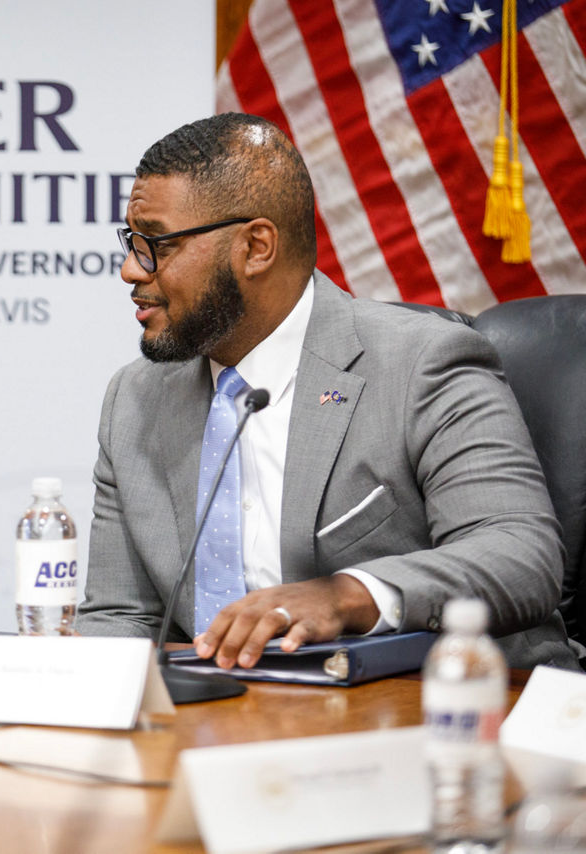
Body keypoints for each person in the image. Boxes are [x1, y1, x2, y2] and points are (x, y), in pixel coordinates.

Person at [75, 113, 580, 671]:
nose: (128, 269)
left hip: (438, 709)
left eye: (157, 245)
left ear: (256, 246)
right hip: (226, 726)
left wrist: (345, 596)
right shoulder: (136, 399)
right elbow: (119, 618)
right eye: (131, 242)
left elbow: (520, 555)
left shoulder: (422, 362)